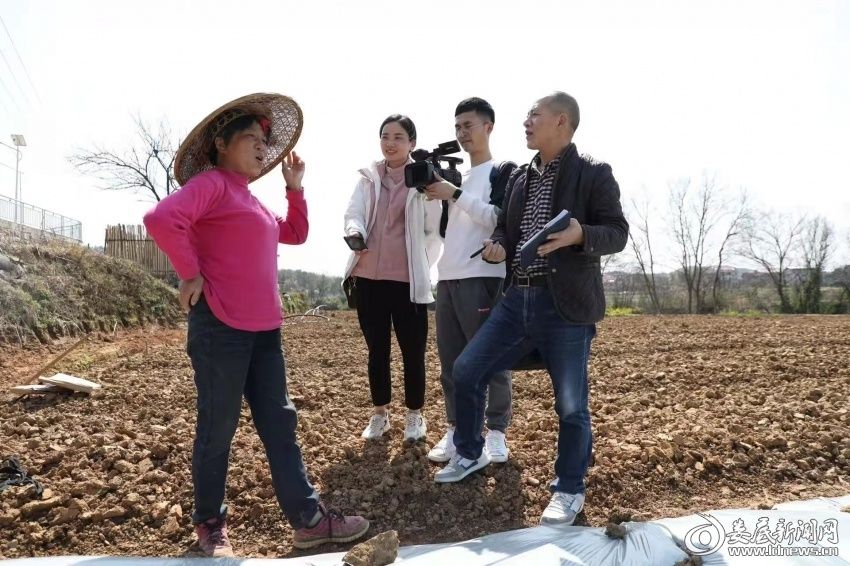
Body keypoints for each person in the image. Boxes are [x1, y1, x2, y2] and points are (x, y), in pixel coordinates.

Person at [144, 93, 369, 556]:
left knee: (279, 423)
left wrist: (295, 187)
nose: (262, 147)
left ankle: (308, 520)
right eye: (251, 138)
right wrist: (189, 272)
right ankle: (209, 524)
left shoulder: (250, 199)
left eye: (265, 141)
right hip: (220, 327)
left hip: (265, 330)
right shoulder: (212, 185)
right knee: (218, 428)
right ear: (222, 144)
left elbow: (296, 232)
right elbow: (162, 218)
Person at [434, 92, 629, 528]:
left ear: (561, 122)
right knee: (466, 370)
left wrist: (580, 233)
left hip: (565, 307)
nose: (525, 122)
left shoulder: (592, 173)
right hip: (516, 299)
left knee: (571, 406)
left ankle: (569, 488)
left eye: (533, 115)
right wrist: (500, 244)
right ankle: (468, 452)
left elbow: (617, 232)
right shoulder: (521, 177)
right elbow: (506, 225)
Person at [422, 97, 513, 464]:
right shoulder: (454, 177)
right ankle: (457, 429)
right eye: (457, 127)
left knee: (491, 359)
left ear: (488, 127)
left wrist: (454, 194)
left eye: (468, 126)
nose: (462, 133)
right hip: (448, 276)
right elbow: (446, 230)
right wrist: (440, 196)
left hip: (484, 276)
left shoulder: (503, 171)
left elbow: (501, 219)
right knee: (451, 363)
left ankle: (495, 432)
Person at [342, 114, 441, 442]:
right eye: (385, 135)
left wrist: (421, 262)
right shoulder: (368, 178)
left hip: (409, 282)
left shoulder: (424, 180)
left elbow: (433, 231)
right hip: (368, 275)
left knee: (413, 351)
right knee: (377, 350)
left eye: (399, 136)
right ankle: (380, 414)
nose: (390, 142)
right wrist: (354, 230)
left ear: (412, 142)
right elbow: (353, 212)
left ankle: (415, 416)